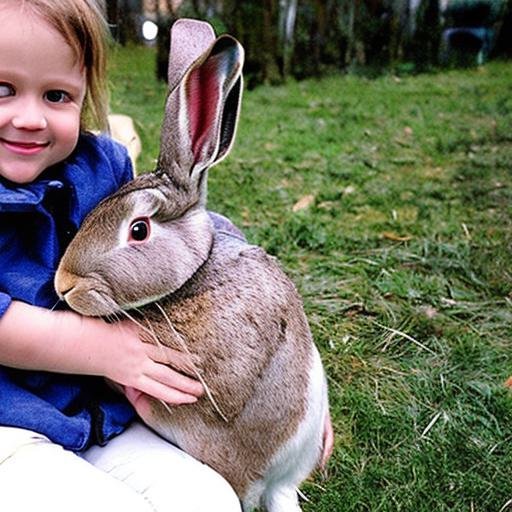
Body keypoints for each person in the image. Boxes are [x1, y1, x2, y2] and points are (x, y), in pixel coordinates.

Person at [0, 1, 242, 510]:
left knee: (209, 500)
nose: (28, 117)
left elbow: (177, 233)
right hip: (7, 428)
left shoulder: (104, 165)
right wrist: (104, 350)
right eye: (3, 89)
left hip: (101, 415)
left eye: (56, 95)